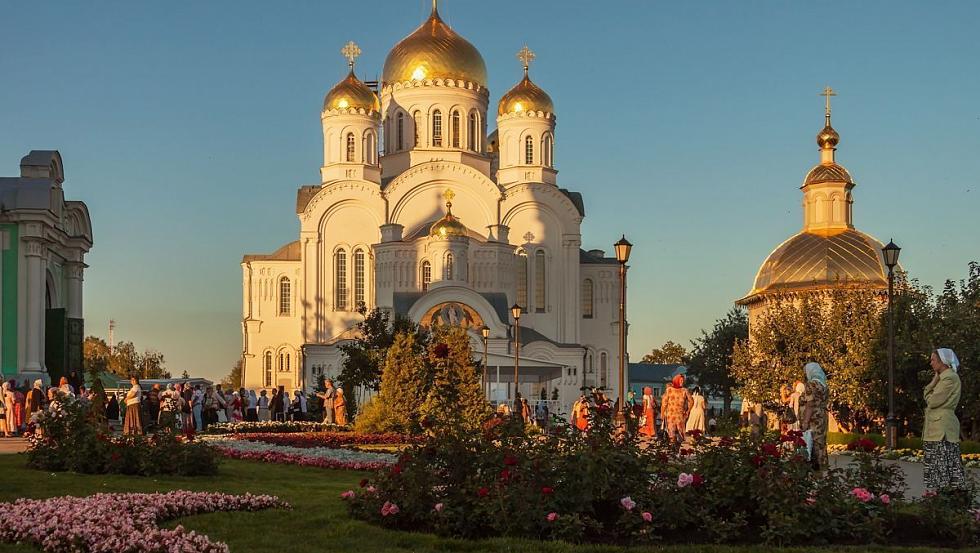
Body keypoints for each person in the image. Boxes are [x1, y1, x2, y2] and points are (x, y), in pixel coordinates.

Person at [923, 348, 965, 491]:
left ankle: (946, 501)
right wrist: (935, 380)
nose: (931, 363)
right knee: (938, 467)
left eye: (933, 359)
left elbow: (933, 401)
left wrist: (930, 392)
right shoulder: (943, 378)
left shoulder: (949, 378)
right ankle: (939, 501)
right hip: (937, 428)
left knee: (942, 466)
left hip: (942, 429)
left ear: (943, 361)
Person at [800, 362, 829, 470]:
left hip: (813, 418)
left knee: (810, 442)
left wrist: (805, 421)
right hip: (822, 416)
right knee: (820, 442)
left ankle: (813, 467)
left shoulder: (811, 384)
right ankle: (822, 467)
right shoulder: (823, 384)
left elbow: (810, 404)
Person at [660, 374, 693, 443]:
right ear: (676, 380)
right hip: (670, 415)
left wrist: (688, 411)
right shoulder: (669, 390)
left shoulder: (684, 390)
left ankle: (677, 448)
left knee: (680, 433)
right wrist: (662, 413)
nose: (682, 382)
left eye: (683, 381)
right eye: (680, 380)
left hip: (680, 415)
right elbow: (664, 403)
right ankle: (672, 447)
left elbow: (691, 401)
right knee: (671, 433)